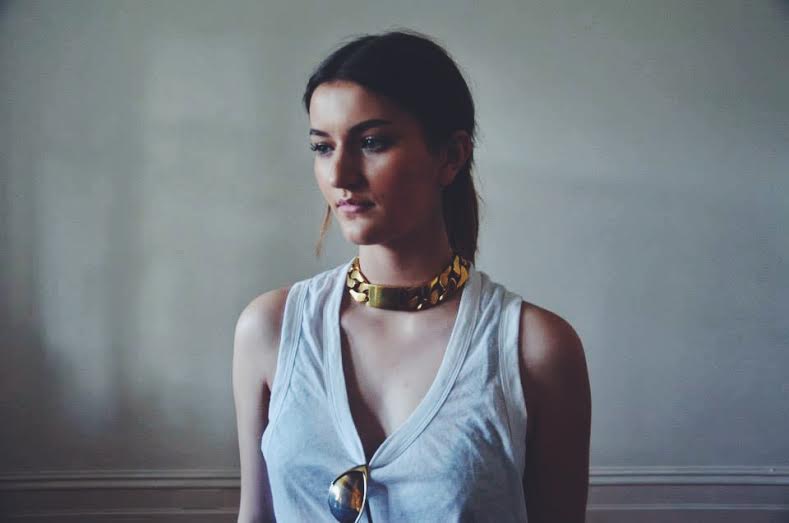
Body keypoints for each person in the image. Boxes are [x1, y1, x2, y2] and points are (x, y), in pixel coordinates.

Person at [233, 30, 591, 523]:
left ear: (451, 155)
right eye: (322, 146)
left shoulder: (534, 349)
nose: (339, 175)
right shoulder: (270, 329)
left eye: (372, 143)